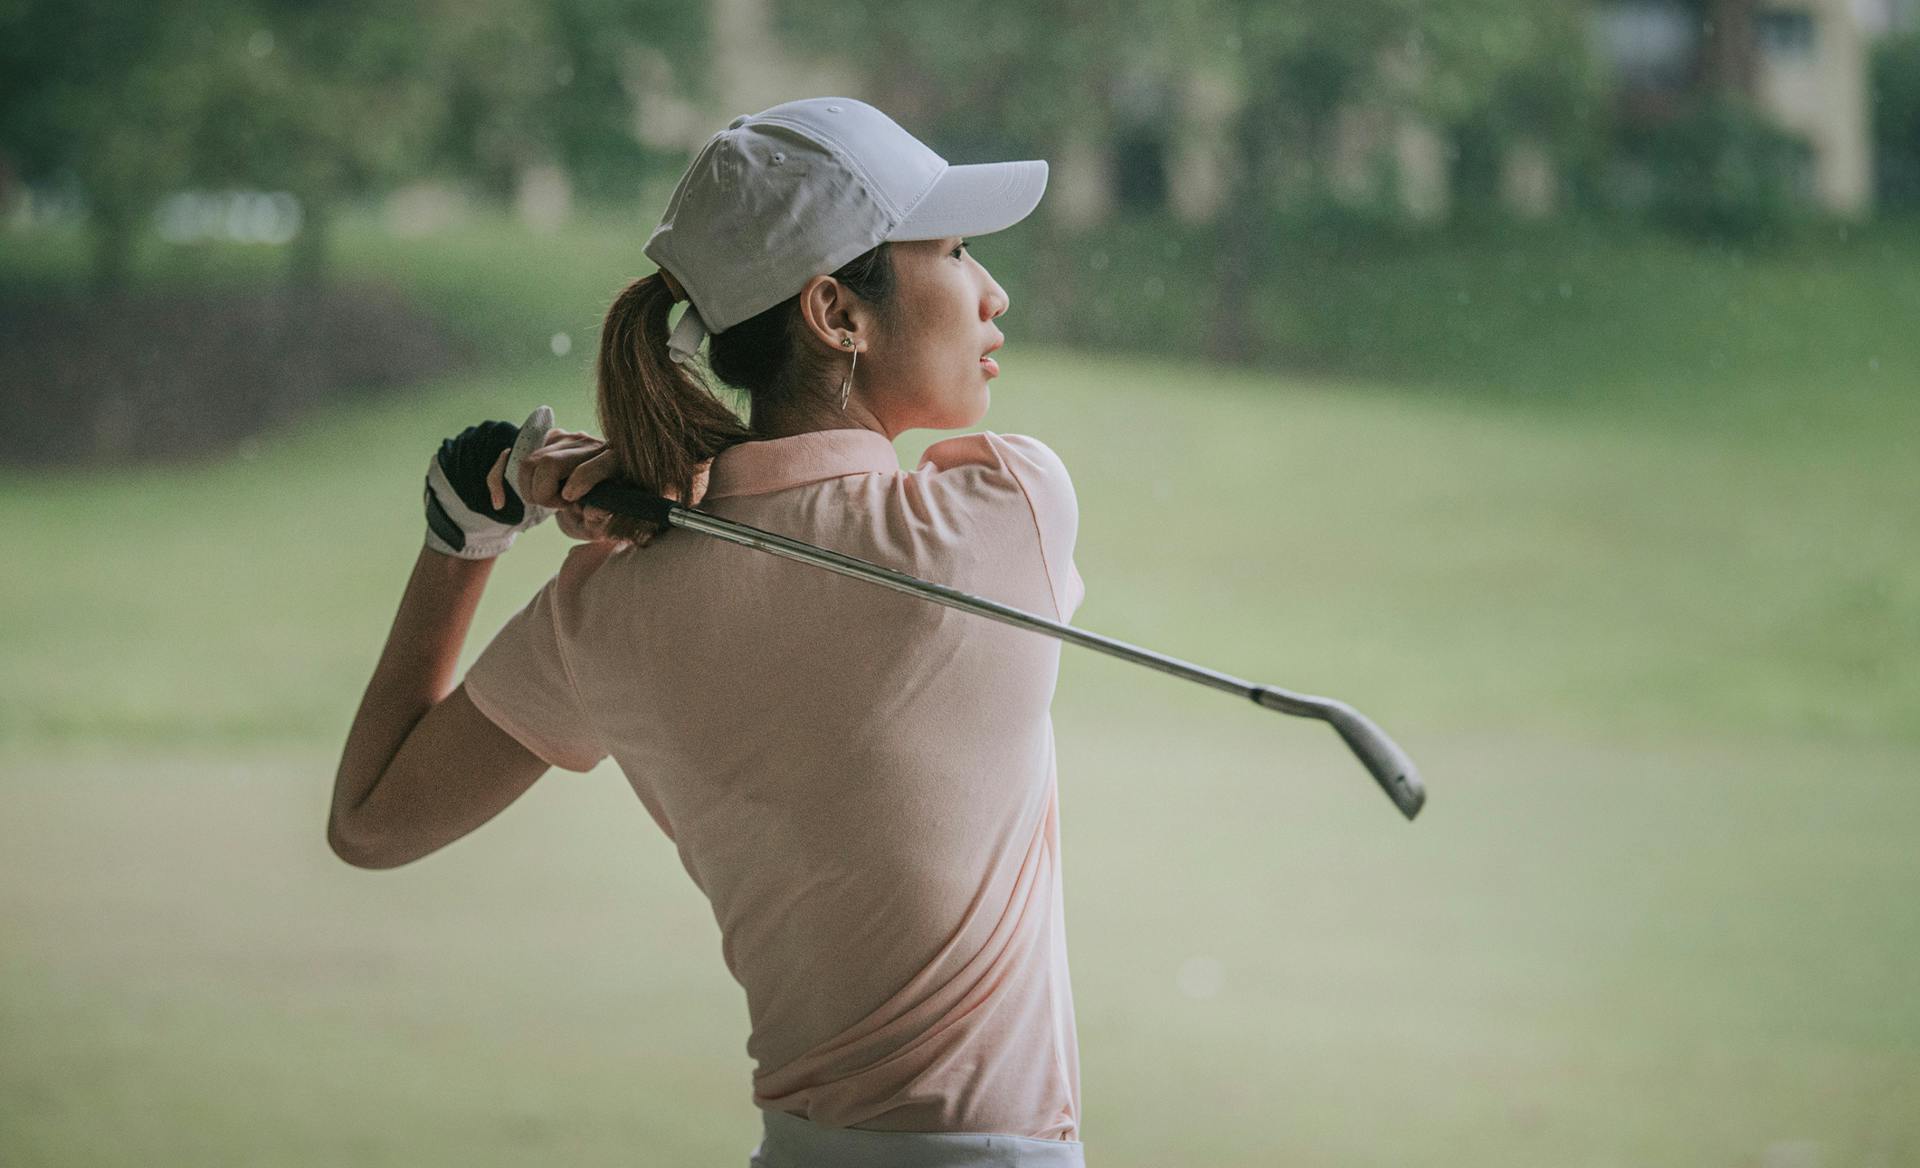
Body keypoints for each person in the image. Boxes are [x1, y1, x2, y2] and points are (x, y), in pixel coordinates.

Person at [329, 97, 1087, 1167]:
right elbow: (828, 507)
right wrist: (662, 479)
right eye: (956, 252)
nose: (991, 290)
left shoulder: (606, 599)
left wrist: (466, 532)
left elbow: (370, 820)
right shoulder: (1006, 511)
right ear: (835, 312)